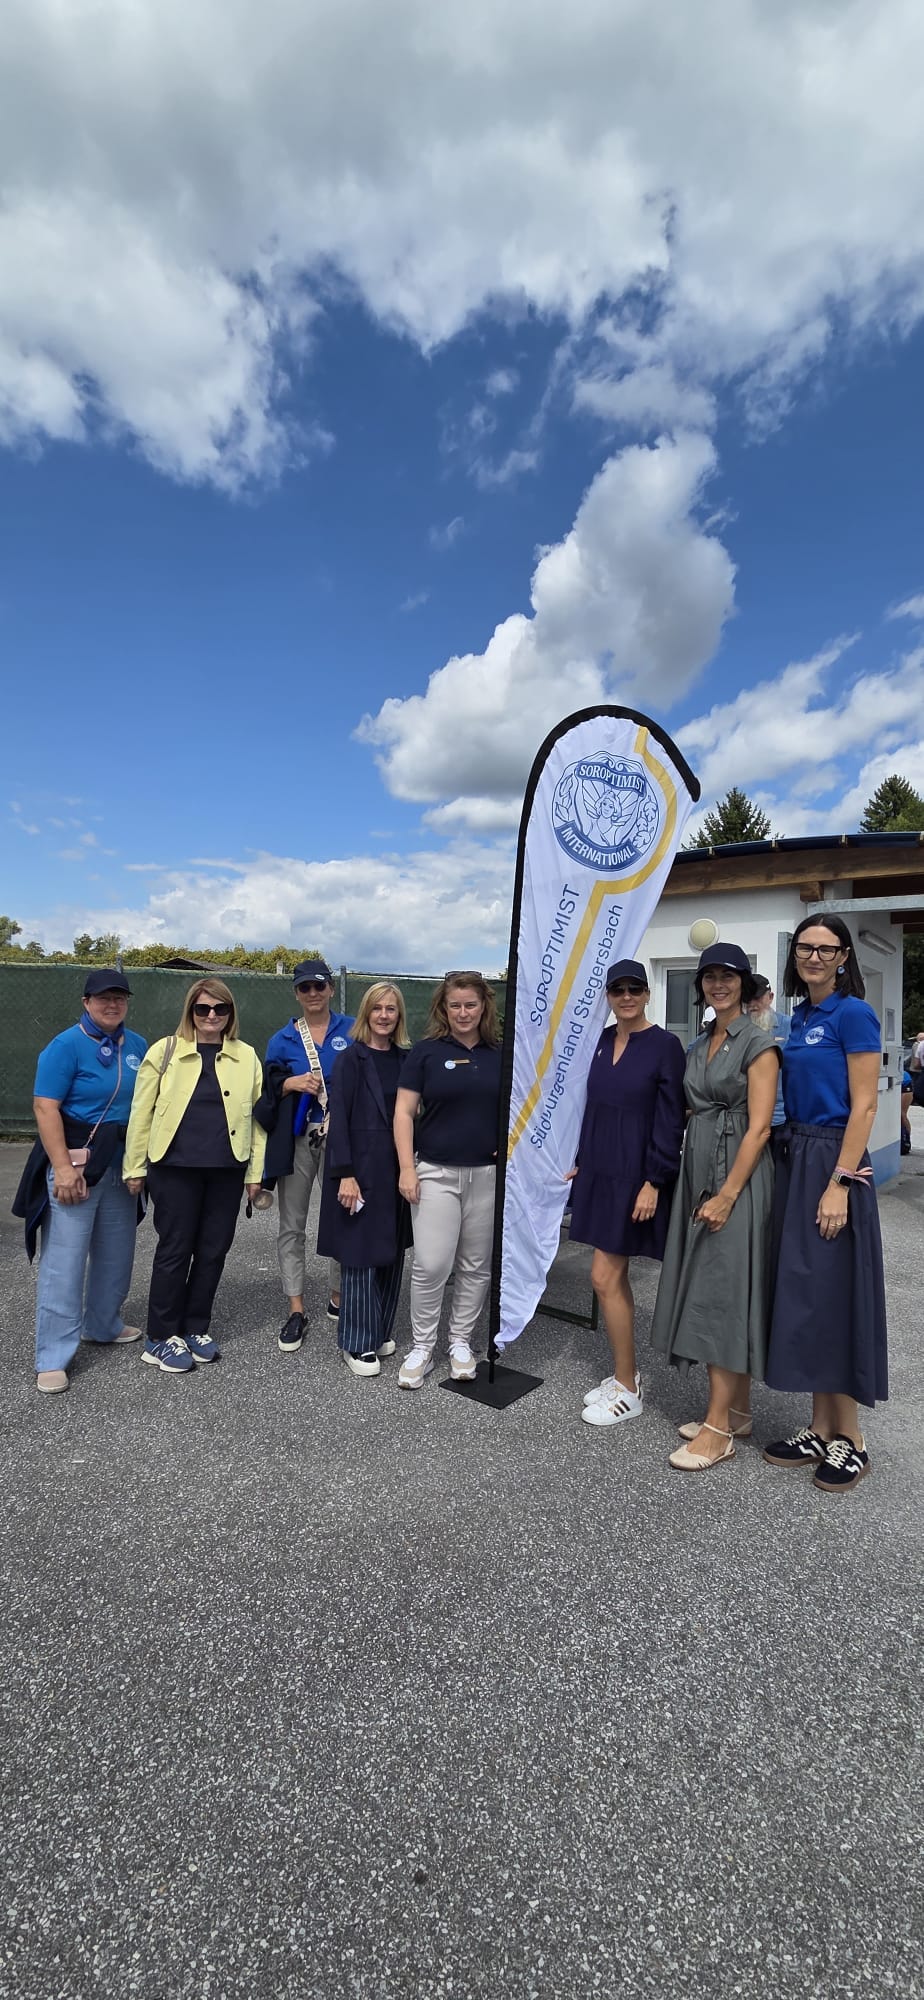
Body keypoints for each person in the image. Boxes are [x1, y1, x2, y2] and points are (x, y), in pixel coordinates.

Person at [763, 916, 887, 1492]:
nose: (813, 956)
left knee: (836, 1295)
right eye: (805, 947)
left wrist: (840, 1181)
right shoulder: (804, 1016)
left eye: (825, 948)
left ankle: (851, 1439)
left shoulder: (853, 1013)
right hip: (799, 1155)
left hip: (833, 1162)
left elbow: (864, 1106)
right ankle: (818, 1427)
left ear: (843, 957)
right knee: (809, 1292)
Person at [650, 943, 780, 1470]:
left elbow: (761, 1125)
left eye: (728, 976)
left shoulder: (759, 1042)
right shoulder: (701, 1041)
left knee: (721, 1294)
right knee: (719, 1286)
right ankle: (740, 1411)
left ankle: (717, 1427)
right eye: (710, 977)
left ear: (744, 983)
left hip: (739, 1177)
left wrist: (728, 1193)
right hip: (699, 1168)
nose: (718, 984)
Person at [123, 979, 265, 1374]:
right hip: (173, 1167)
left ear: (230, 1014)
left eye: (220, 1009)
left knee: (213, 1250)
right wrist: (134, 1167)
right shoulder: (165, 1051)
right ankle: (159, 1336)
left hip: (226, 1169)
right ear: (191, 1011)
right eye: (203, 1009)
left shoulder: (246, 1055)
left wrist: (255, 1174)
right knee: (175, 1248)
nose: (212, 1016)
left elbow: (257, 1120)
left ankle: (194, 1327)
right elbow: (142, 1112)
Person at [16, 969, 147, 1395]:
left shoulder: (139, 1046)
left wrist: (139, 1166)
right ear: (86, 1001)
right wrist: (64, 1169)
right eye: (103, 998)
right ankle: (53, 1356)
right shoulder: (65, 1046)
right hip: (75, 1167)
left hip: (121, 1166)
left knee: (116, 1255)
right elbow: (44, 1108)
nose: (112, 1005)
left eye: (120, 998)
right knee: (64, 1263)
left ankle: (103, 1325)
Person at [570, 960, 686, 1431]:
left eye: (634, 988)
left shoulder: (665, 1046)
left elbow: (670, 1119)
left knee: (603, 1277)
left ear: (647, 992)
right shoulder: (600, 1042)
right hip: (599, 1172)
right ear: (608, 995)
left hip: (636, 1178)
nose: (626, 996)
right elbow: (593, 1108)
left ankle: (629, 1388)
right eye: (617, 989)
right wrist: (581, 1158)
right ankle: (624, 1374)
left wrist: (655, 1181)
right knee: (609, 1280)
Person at [394, 971, 502, 1389]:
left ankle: (461, 1342)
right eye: (454, 1005)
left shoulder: (500, 1053)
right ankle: (422, 1346)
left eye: (470, 1005)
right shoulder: (425, 1053)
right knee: (431, 1264)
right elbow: (404, 1113)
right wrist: (407, 1167)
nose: (462, 1013)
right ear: (444, 1008)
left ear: (483, 1007)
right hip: (434, 1173)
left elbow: (518, 1110)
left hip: (486, 1176)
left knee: (476, 1266)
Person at [256, 959, 354, 1353]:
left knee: (343, 1217)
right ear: (296, 993)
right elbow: (266, 1093)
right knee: (292, 1224)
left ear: (331, 989)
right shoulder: (282, 1039)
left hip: (341, 1136)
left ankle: (338, 1295)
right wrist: (291, 1084)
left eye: (319, 986)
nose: (312, 994)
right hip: (298, 1138)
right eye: (304, 988)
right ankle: (296, 1307)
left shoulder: (352, 1029)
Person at [316, 983, 413, 1376]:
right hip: (360, 1166)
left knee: (391, 1251)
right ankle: (356, 1342)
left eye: (391, 1009)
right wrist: (345, 1174)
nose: (385, 1015)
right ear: (366, 1014)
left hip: (397, 1167)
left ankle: (379, 1331)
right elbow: (338, 1119)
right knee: (359, 1254)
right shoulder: (351, 1059)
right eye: (378, 1009)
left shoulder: (408, 1060)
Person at [747, 974, 790, 1127]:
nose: (752, 1004)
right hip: (745, 1119)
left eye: (757, 998)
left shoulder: (789, 1027)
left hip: (780, 1119)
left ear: (770, 997)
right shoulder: (737, 1029)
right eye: (747, 998)